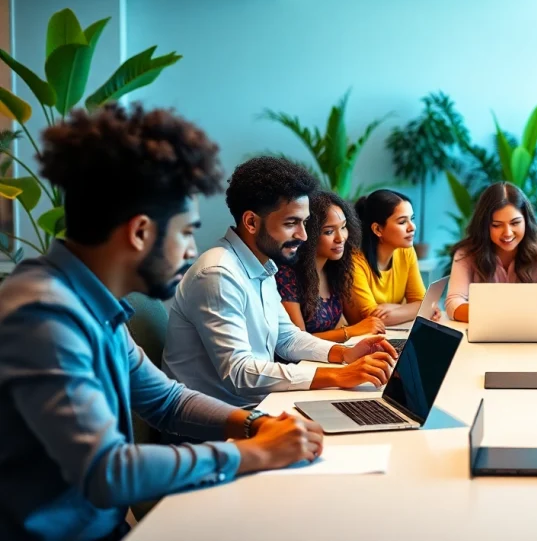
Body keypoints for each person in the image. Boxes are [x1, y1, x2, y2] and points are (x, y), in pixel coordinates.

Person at [0, 105, 326, 541]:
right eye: (186, 232)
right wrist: (254, 454)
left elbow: (167, 401)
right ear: (140, 233)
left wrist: (252, 426)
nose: (192, 250)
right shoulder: (44, 317)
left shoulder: (93, 303)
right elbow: (107, 471)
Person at [164, 157, 397, 410]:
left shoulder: (263, 265)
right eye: (290, 223)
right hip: (218, 422)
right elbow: (240, 373)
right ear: (251, 222)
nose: (304, 235)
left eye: (305, 223)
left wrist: (343, 354)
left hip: (255, 406)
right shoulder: (218, 274)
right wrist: (338, 375)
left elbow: (286, 338)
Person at [445, 182, 537, 322]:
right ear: (484, 226)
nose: (507, 233)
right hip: (487, 332)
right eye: (496, 225)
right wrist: (501, 317)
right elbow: (453, 303)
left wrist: (498, 314)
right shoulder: (467, 251)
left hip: (532, 332)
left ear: (526, 220)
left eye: (515, 223)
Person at [276, 190, 387, 340]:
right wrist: (350, 331)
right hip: (300, 362)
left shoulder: (335, 269)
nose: (340, 238)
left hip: (328, 356)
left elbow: (353, 322)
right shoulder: (287, 275)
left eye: (343, 227)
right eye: (329, 232)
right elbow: (297, 341)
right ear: (308, 234)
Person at [348, 189, 426, 325]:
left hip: (393, 334)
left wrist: (395, 308)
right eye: (402, 222)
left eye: (411, 219)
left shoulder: (405, 251)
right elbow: (373, 320)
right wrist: (413, 309)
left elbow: (423, 302)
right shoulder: (354, 262)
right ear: (378, 229)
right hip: (361, 341)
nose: (412, 227)